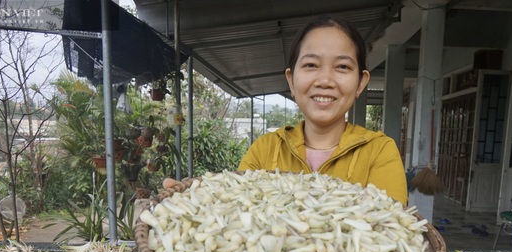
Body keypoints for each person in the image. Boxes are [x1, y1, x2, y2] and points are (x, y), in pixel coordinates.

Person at [165, 14, 408, 204]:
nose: (325, 79)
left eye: (342, 67)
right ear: (291, 80)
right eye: (311, 64)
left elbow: (389, 229)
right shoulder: (265, 150)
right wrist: (192, 203)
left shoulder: (378, 151)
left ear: (361, 82)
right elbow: (236, 207)